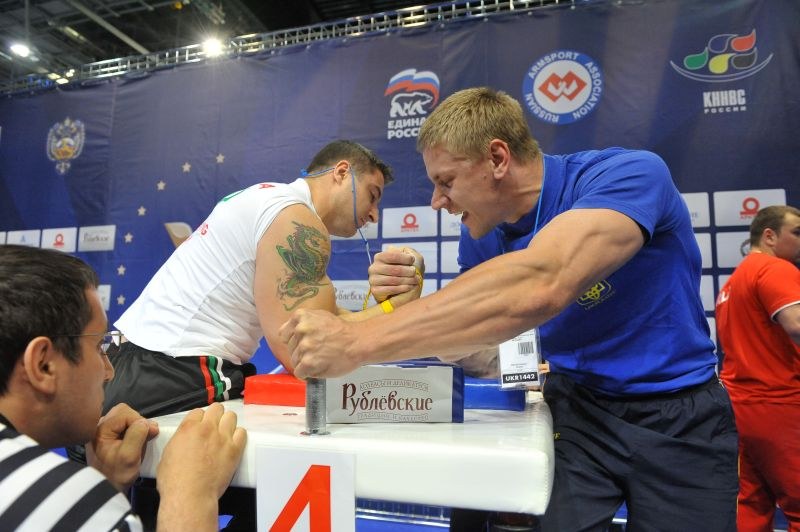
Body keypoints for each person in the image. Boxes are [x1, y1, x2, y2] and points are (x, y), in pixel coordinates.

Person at [279, 87, 739, 531]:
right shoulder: (480, 233)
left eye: (446, 182)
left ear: (498, 159)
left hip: (681, 413)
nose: (437, 202)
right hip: (577, 410)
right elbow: (485, 342)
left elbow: (546, 279)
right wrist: (402, 308)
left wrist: (357, 340)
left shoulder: (628, 175)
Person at [99, 139, 420, 530]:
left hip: (133, 366)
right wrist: (398, 312)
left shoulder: (266, 199)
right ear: (340, 173)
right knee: (293, 476)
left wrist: (388, 309)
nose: (373, 214)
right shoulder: (298, 221)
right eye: (372, 195)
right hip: (178, 373)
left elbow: (323, 320)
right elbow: (306, 352)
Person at [0, 244, 246, 531]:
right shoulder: (47, 498)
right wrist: (190, 495)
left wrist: (105, 487)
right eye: (98, 346)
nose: (108, 371)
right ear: (43, 365)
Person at [715, 205, 800, 531]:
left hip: (741, 410)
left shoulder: (732, 284)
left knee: (752, 505)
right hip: (779, 404)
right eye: (796, 232)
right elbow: (796, 324)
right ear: (769, 235)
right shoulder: (775, 269)